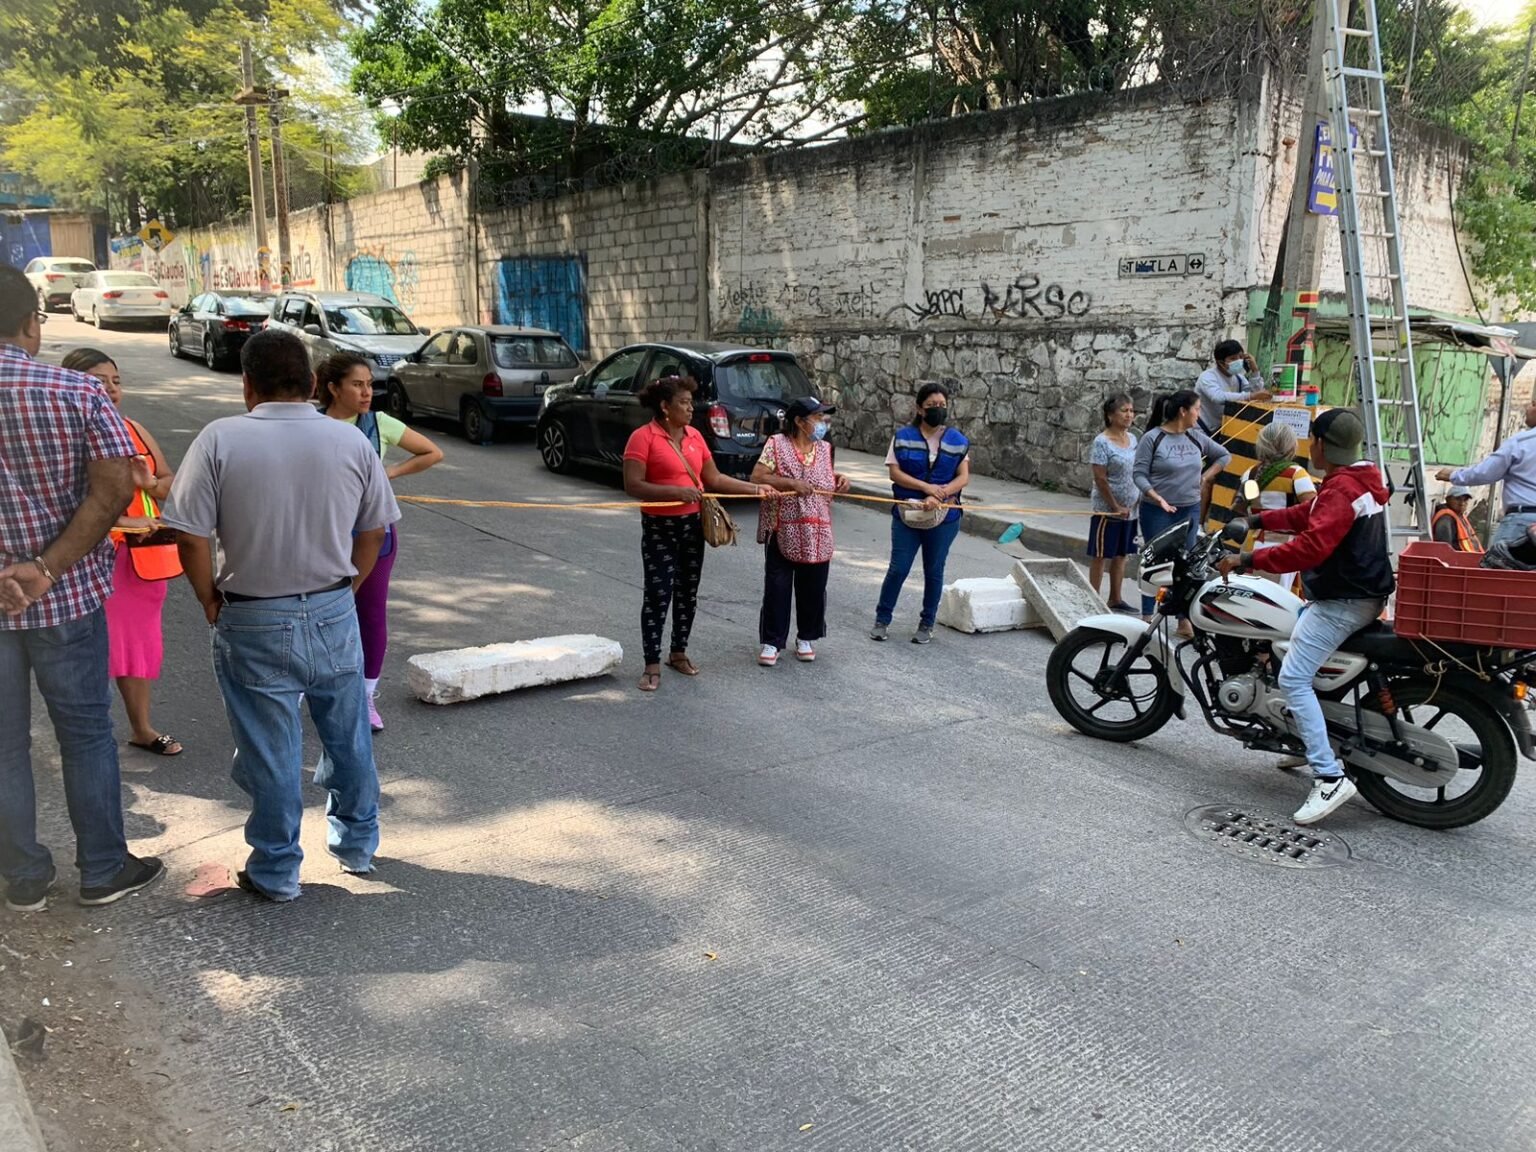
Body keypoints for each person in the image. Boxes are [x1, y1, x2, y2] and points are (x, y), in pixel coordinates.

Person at [160, 329, 399, 902]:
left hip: (253, 614)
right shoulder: (350, 443)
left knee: (271, 749)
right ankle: (357, 847)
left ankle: (276, 870)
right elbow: (373, 531)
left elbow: (190, 535)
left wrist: (207, 598)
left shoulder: (220, 439)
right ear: (314, 384)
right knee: (347, 738)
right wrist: (349, 587)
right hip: (333, 608)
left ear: (248, 385)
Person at [0, 263, 165, 911]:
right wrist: (44, 568)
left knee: (4, 744)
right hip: (64, 598)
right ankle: (101, 868)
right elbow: (115, 489)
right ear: (27, 323)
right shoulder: (76, 392)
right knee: (85, 733)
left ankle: (23, 878)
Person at [1217, 408, 1394, 825]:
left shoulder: (1339, 490)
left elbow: (1311, 546)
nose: (1307, 446)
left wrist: (1247, 558)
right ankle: (1301, 741)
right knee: (1290, 650)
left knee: (1293, 678)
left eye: (1310, 439)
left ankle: (1329, 776)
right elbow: (1307, 515)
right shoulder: (1358, 480)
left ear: (1319, 444)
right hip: (1360, 593)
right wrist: (1258, 519)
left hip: (1343, 600)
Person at [60, 348, 185, 758]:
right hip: (88, 562)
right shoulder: (63, 435)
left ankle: (142, 729)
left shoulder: (134, 429)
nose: (112, 389)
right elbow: (60, 508)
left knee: (137, 646)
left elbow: (169, 485)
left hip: (140, 563)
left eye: (116, 380)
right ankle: (86, 737)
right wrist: (118, 524)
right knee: (90, 650)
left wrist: (149, 484)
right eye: (100, 381)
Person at [622, 375, 775, 692]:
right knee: (658, 593)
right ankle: (651, 663)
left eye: (691, 402)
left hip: (693, 525)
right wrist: (674, 492)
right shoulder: (642, 438)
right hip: (659, 526)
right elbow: (633, 485)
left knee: (688, 591)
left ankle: (678, 652)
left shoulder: (694, 437)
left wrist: (755, 488)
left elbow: (715, 479)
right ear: (665, 407)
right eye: (684, 402)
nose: (691, 408)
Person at [315, 352, 443, 731]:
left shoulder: (378, 423)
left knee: (370, 615)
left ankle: (366, 695)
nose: (367, 392)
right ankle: (312, 683)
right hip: (322, 535)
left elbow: (432, 452)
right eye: (357, 384)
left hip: (374, 535)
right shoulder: (312, 424)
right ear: (333, 388)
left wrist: (390, 472)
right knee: (319, 613)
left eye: (370, 384)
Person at [750, 396, 851, 666]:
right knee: (778, 586)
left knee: (814, 587)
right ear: (799, 421)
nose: (823, 423)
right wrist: (790, 483)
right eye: (818, 418)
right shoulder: (777, 445)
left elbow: (825, 478)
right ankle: (772, 641)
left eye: (823, 418)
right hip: (783, 526)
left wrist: (839, 479)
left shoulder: (826, 448)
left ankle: (807, 636)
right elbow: (757, 477)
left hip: (817, 530)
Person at [871, 382, 972, 644]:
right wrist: (926, 488)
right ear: (919, 408)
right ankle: (882, 619)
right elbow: (895, 473)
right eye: (932, 406)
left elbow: (963, 477)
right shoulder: (903, 437)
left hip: (944, 516)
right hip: (907, 514)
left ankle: (927, 623)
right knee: (898, 568)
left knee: (934, 570)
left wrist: (940, 494)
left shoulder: (957, 441)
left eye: (942, 406)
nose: (938, 410)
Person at [1133, 390, 1231, 628]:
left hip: (1190, 508)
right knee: (1156, 561)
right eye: (1197, 409)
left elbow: (1224, 456)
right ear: (1183, 411)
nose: (1199, 414)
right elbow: (1139, 474)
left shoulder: (1196, 437)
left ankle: (1183, 618)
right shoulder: (1153, 438)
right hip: (1158, 511)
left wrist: (1205, 476)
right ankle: (1147, 616)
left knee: (1187, 564)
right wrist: (1157, 498)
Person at [1435, 403, 1536, 548]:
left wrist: (1453, 475)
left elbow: (1486, 472)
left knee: (1501, 569)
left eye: (1533, 405)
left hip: (1520, 524)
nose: (1527, 408)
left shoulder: (1521, 442)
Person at [1236, 420, 1317, 592]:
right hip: (1283, 548)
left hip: (1251, 544)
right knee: (1278, 601)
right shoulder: (1297, 474)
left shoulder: (1249, 473)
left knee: (1251, 597)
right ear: (1290, 446)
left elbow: (1241, 507)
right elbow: (1314, 510)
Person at [1086, 393, 1139, 613]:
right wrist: (1115, 506)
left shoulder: (1133, 439)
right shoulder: (1102, 442)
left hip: (1131, 510)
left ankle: (1115, 598)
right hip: (1108, 510)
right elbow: (1100, 478)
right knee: (1101, 555)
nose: (1129, 415)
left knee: (1121, 554)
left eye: (1131, 411)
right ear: (1110, 415)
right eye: (1124, 411)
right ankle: (1092, 599)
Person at [1195, 339, 1271, 437]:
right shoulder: (1207, 377)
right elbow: (1218, 397)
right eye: (1233, 358)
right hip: (1202, 430)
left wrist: (1255, 370)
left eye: (1240, 357)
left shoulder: (1239, 378)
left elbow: (1256, 393)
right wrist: (1250, 396)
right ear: (1221, 363)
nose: (1238, 361)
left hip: (1224, 430)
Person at [1431, 485, 1482, 552]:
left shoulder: (1459, 515)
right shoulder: (1445, 520)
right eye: (1458, 499)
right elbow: (1444, 550)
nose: (1462, 503)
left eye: (1465, 499)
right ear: (1447, 499)